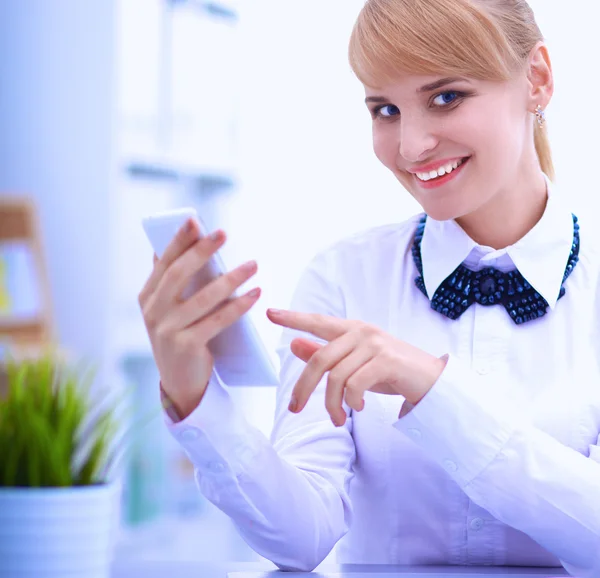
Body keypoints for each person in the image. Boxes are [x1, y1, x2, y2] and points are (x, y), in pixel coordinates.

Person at [137, 0, 600, 576]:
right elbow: (298, 540)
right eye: (385, 109)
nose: (410, 147)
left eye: (445, 97)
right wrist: (197, 397)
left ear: (537, 79)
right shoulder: (343, 278)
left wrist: (435, 391)